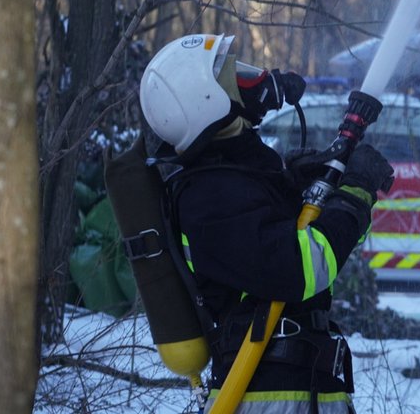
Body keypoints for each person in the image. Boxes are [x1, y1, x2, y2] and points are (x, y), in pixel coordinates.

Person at [139, 33, 393, 413]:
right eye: (234, 79)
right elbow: (300, 269)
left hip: (299, 389)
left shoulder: (243, 179)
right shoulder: (210, 196)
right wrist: (353, 196)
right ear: (206, 101)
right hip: (268, 398)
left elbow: (324, 246)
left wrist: (311, 186)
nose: (253, 83)